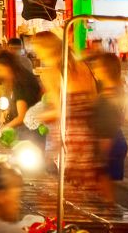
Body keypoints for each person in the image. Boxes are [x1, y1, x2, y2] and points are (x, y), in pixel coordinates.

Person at [28, 31, 100, 194]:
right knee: (87, 189)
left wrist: (38, 116)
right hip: (88, 134)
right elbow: (94, 100)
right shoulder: (82, 66)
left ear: (46, 49)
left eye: (37, 48)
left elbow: (61, 110)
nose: (35, 52)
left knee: (68, 189)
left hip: (69, 136)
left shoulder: (51, 73)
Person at [86, 53, 127, 202]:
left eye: (97, 67)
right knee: (106, 191)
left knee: (106, 195)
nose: (94, 70)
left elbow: (107, 127)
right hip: (116, 139)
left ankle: (112, 222)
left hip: (109, 142)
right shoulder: (117, 89)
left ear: (105, 69)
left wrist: (100, 156)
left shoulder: (108, 95)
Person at [0, 51, 44, 146]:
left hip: (28, 134)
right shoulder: (19, 78)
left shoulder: (21, 82)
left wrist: (2, 130)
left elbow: (22, 117)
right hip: (27, 131)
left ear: (7, 66)